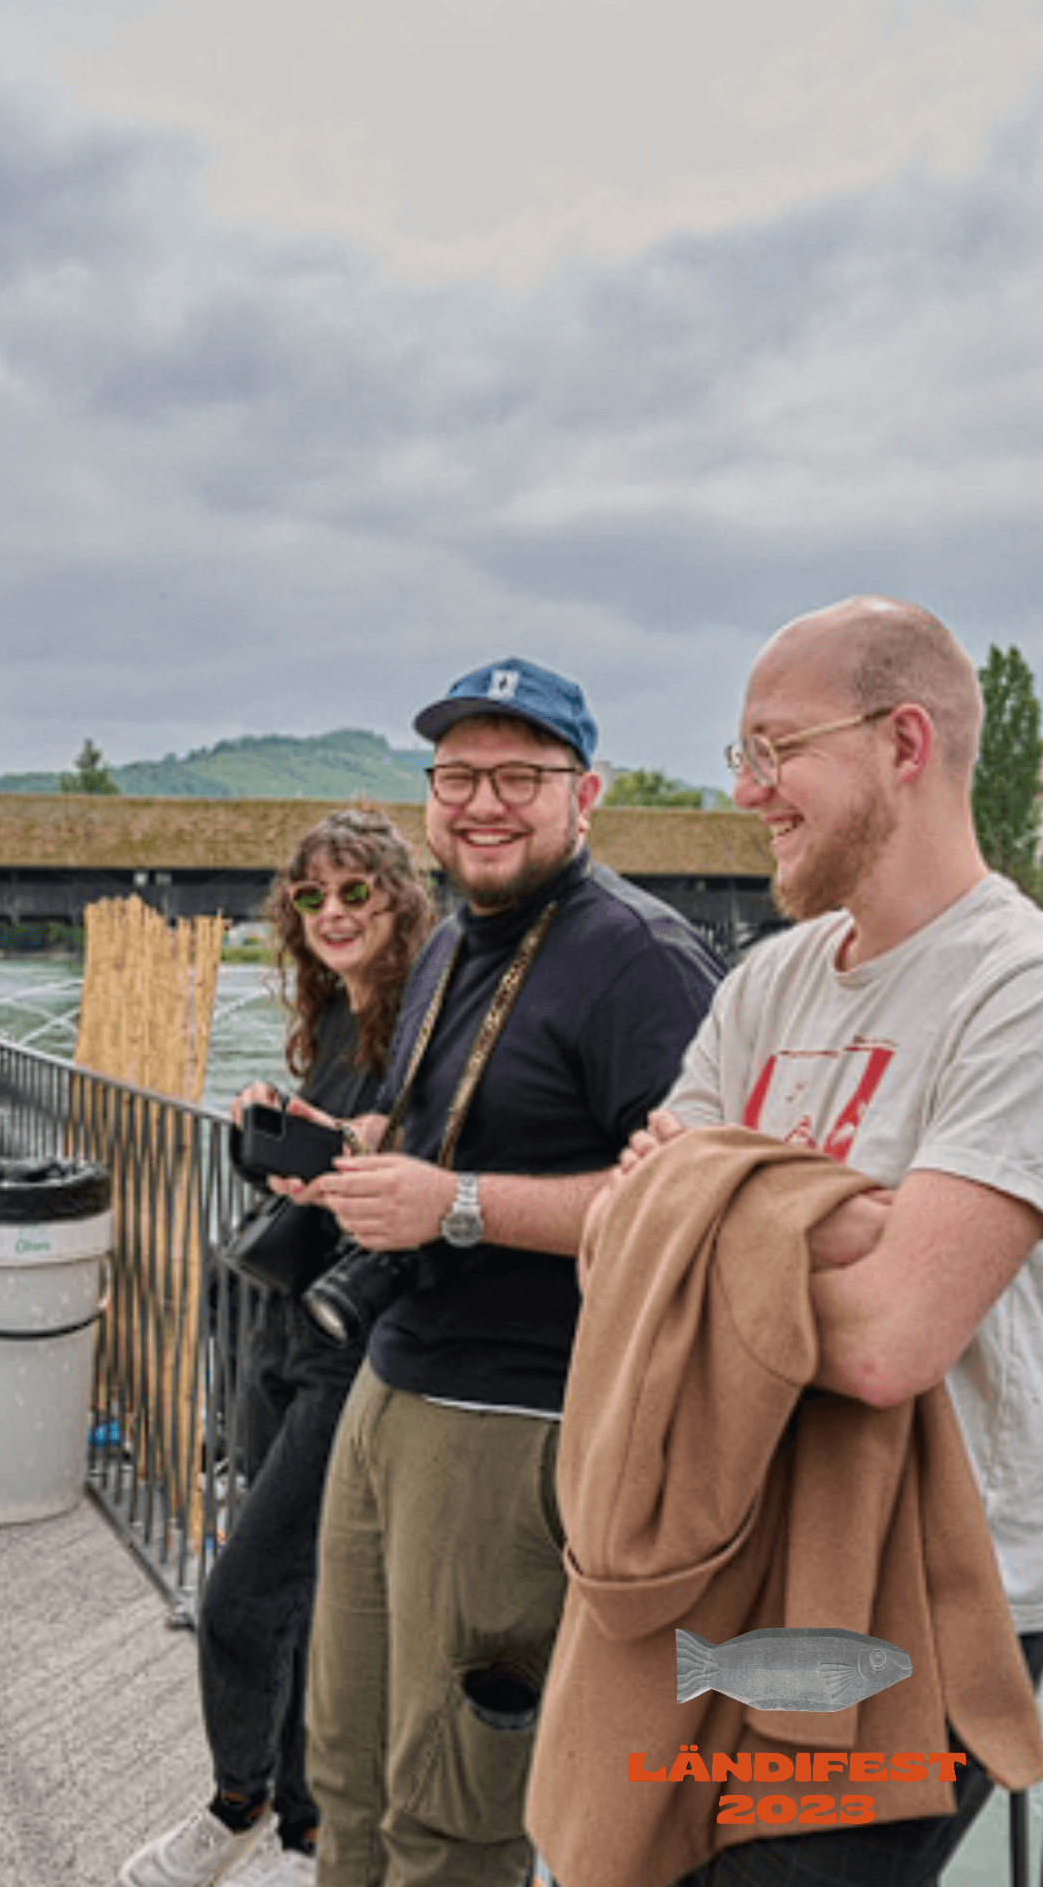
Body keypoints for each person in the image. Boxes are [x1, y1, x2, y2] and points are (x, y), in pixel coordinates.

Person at [588, 596, 1043, 1887]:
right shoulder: (765, 983)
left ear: (902, 742)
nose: (746, 790)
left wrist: (702, 1205)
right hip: (735, 1552)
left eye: (773, 748)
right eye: (740, 754)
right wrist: (837, 1217)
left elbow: (893, 1341)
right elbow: (613, 1251)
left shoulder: (1018, 989)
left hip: (931, 1601)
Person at [292, 661, 722, 1887]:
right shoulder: (448, 940)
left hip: (518, 1412)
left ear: (585, 793)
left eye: (519, 776)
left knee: (453, 1803)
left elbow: (687, 1209)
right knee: (346, 1763)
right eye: (458, 775)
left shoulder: (641, 958)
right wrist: (347, 1151)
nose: (483, 802)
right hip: (392, 1383)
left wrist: (459, 1206)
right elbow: (446, 1130)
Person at [120, 807, 435, 1887]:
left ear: (400, 897)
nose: (330, 912)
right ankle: (303, 1826)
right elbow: (328, 1163)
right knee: (296, 1595)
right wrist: (272, 1121)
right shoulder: (337, 1018)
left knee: (241, 1597)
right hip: (279, 1319)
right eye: (310, 896)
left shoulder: (429, 1022)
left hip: (357, 1339)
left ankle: (238, 1803)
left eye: (355, 891)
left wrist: (360, 1152)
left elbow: (433, 1168)